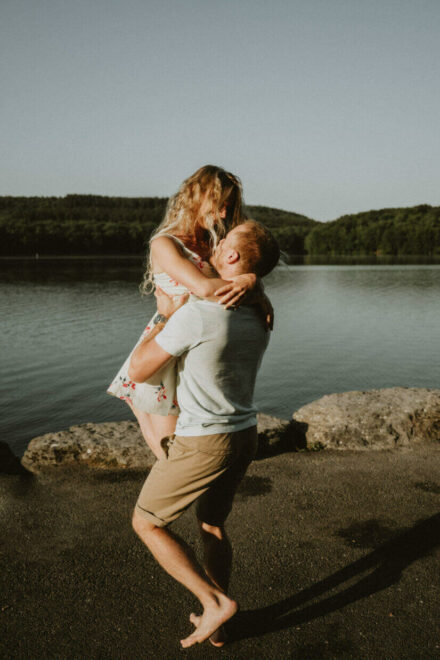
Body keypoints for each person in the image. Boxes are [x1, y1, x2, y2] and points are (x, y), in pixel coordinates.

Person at [128, 220, 280, 648]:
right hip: (243, 434)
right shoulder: (259, 311)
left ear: (231, 257)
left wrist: (166, 315)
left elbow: (140, 370)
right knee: (211, 523)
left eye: (225, 241)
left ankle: (213, 602)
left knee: (146, 522)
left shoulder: (198, 314)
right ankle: (221, 625)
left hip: (204, 441)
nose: (216, 243)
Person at [107, 165, 268, 460]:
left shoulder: (214, 243)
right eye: (220, 205)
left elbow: (239, 270)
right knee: (170, 451)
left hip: (197, 344)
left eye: (228, 207)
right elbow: (206, 289)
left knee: (192, 443)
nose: (223, 214)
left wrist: (254, 282)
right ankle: (165, 504)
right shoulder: (165, 243)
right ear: (197, 196)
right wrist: (252, 286)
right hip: (167, 341)